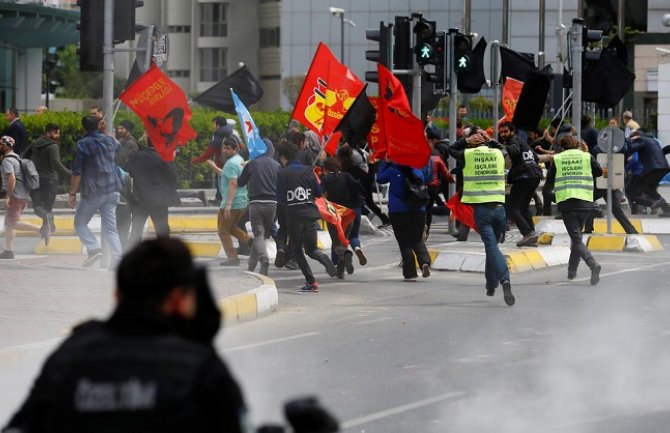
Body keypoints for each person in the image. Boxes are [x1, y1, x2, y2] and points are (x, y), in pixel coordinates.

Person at [2, 238, 250, 432]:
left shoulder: (68, 355)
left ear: (118, 296)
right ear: (177, 300)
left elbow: (21, 424)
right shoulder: (200, 366)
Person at [450, 128, 515, 306]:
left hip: (482, 211)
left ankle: (505, 280)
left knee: (492, 247)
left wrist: (466, 140)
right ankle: (490, 285)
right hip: (500, 209)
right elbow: (504, 148)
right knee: (491, 248)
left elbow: (451, 149)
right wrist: (491, 139)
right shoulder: (498, 154)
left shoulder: (468, 154)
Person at [276, 140, 336, 292]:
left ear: (283, 157)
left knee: (297, 251)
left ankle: (312, 282)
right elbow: (318, 193)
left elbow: (281, 199)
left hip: (294, 216)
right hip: (310, 214)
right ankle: (323, 258)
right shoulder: (309, 170)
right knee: (312, 250)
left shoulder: (283, 173)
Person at [68, 114, 123, 268]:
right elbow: (118, 145)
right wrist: (105, 131)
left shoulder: (82, 144)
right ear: (99, 125)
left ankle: (94, 248)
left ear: (83, 128)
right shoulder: (109, 139)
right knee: (111, 229)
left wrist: (72, 194)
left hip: (93, 191)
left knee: (80, 222)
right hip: (112, 189)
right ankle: (118, 258)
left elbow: (77, 172)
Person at [546, 135, 602, 284]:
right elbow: (599, 172)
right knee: (577, 238)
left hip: (567, 203)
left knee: (576, 238)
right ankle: (572, 271)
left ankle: (592, 264)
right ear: (577, 145)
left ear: (562, 146)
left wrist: (552, 198)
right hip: (585, 202)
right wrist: (587, 152)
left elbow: (549, 183)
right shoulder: (586, 157)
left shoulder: (558, 159)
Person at [376, 157, 432, 282]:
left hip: (398, 210)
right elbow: (428, 177)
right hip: (418, 209)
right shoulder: (418, 169)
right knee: (417, 239)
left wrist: (386, 162)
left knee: (404, 242)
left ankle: (410, 274)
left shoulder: (392, 170)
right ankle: (424, 263)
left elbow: (380, 179)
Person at [123, 139, 181, 248]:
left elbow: (127, 173)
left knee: (136, 229)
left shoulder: (135, 157)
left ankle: (131, 254)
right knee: (162, 229)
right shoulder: (164, 158)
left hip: (139, 199)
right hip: (158, 201)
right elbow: (173, 177)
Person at [238, 138, 280, 276]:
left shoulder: (252, 164)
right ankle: (251, 267)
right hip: (273, 204)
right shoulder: (276, 165)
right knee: (261, 236)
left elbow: (240, 182)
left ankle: (264, 259)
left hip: (256, 203)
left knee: (258, 235)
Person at [207, 137, 252, 266]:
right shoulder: (239, 160)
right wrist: (215, 167)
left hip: (233, 203)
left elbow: (233, 183)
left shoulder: (231, 163)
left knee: (222, 231)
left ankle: (232, 258)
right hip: (241, 201)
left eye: (228, 148)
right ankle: (249, 241)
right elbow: (228, 176)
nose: (225, 151)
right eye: (224, 148)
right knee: (231, 227)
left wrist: (228, 205)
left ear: (235, 149)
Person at [0, 136, 47, 258]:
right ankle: (8, 251)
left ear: (5, 146)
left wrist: (8, 196)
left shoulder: (7, 161)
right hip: (23, 195)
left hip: (15, 196)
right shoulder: (17, 158)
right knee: (9, 224)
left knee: (12, 222)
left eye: (0, 144)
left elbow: (12, 178)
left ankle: (41, 229)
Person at [498, 121, 542, 247]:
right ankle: (531, 236)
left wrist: (504, 148)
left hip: (524, 176)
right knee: (523, 207)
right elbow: (536, 157)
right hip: (535, 175)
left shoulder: (514, 141)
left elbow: (515, 151)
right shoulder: (523, 142)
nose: (503, 134)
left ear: (512, 131)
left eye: (506, 131)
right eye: (501, 132)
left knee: (512, 208)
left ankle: (528, 233)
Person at [321, 157, 366, 278]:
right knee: (344, 240)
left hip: (334, 214)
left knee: (336, 243)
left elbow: (319, 193)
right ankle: (340, 271)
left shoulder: (326, 178)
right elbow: (358, 185)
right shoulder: (346, 176)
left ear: (326, 169)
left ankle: (347, 255)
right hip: (347, 213)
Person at [23, 123, 71, 234]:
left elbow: (24, 157)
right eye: (56, 133)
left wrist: (32, 168)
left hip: (36, 180)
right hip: (50, 181)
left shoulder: (35, 144)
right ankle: (48, 220)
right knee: (48, 207)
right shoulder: (53, 146)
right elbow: (56, 164)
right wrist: (70, 174)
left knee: (37, 206)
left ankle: (46, 231)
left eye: (58, 133)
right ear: (48, 132)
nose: (58, 136)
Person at [623, 129, 670, 217]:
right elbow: (660, 151)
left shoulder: (641, 139)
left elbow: (630, 149)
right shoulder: (653, 141)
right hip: (663, 167)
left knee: (641, 187)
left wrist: (629, 141)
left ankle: (656, 204)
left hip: (653, 168)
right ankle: (664, 208)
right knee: (648, 188)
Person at [192, 116, 236, 205]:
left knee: (221, 180)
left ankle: (220, 200)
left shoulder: (218, 134)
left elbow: (209, 152)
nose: (213, 127)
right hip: (235, 161)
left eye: (214, 124)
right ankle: (226, 199)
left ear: (218, 125)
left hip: (223, 163)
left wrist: (196, 160)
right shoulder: (233, 133)